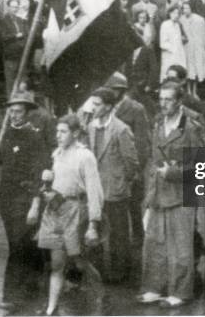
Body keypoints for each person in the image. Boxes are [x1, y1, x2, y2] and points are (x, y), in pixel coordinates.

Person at [0, 91, 51, 314]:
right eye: (11, 111)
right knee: (20, 244)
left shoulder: (35, 137)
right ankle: (33, 284)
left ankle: (11, 295)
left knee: (18, 246)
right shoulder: (5, 135)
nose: (14, 115)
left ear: (27, 113)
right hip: (6, 200)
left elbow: (40, 172)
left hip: (26, 198)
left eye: (18, 112)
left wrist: (36, 204)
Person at [137, 81, 205, 308]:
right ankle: (153, 288)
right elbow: (152, 161)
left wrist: (175, 173)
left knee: (180, 246)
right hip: (158, 192)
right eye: (162, 99)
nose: (163, 103)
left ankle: (180, 292)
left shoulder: (191, 126)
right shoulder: (158, 123)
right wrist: (148, 197)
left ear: (179, 102)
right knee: (154, 242)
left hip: (182, 192)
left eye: (168, 99)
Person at [37, 113, 104, 316]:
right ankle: (51, 308)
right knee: (57, 263)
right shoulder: (57, 154)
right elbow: (53, 183)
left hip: (76, 211)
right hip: (56, 210)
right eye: (57, 131)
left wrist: (93, 224)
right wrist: (47, 191)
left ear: (75, 133)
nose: (58, 135)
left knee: (80, 262)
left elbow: (94, 191)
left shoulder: (85, 156)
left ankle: (99, 301)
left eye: (63, 132)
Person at [87, 87, 138, 283]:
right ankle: (98, 271)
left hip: (115, 188)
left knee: (118, 233)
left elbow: (131, 162)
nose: (93, 108)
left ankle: (121, 273)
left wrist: (122, 181)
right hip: (96, 188)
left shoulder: (121, 129)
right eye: (93, 103)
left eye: (97, 104)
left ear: (108, 107)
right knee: (96, 229)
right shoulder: (91, 127)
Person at [105, 73, 151, 247]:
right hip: (112, 166)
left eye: (115, 90)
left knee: (134, 204)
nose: (112, 93)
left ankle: (139, 237)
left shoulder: (136, 109)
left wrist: (136, 169)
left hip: (131, 166)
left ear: (121, 91)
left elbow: (142, 142)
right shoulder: (106, 108)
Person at [0, 0, 29, 97]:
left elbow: (26, 33)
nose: (15, 9)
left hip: (22, 54)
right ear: (8, 7)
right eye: (12, 7)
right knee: (10, 80)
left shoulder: (21, 20)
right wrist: (15, 36)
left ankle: (21, 101)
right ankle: (11, 101)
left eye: (16, 7)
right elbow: (2, 36)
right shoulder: (3, 20)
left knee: (22, 80)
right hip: (10, 54)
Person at [180, 1, 205, 94]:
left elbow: (204, 34)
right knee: (188, 68)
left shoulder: (200, 19)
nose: (185, 10)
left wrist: (203, 45)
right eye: (184, 8)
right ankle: (188, 90)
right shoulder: (181, 19)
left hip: (197, 47)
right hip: (186, 47)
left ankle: (194, 91)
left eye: (187, 8)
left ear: (191, 9)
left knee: (196, 68)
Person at [159, 5, 186, 82]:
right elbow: (162, 43)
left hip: (178, 56)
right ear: (169, 14)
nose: (176, 15)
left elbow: (179, 42)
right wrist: (173, 49)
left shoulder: (177, 25)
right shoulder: (165, 25)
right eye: (174, 13)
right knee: (168, 75)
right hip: (169, 56)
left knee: (178, 75)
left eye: (178, 13)